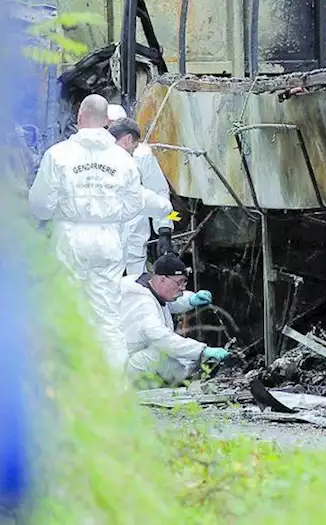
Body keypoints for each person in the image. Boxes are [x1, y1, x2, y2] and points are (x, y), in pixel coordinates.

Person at [27, 94, 173, 370]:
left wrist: (65, 209)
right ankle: (112, 385)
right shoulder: (123, 158)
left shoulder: (58, 154)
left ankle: (70, 378)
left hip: (70, 239)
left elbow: (40, 206)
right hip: (111, 241)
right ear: (107, 122)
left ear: (80, 116)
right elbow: (138, 203)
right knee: (108, 318)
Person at [120, 253, 227, 387]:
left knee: (176, 354)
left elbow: (166, 301)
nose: (182, 288)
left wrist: (190, 300)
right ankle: (187, 380)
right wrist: (202, 351)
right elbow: (164, 340)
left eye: (184, 282)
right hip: (122, 369)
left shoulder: (146, 284)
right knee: (159, 354)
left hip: (129, 357)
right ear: (163, 280)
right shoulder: (142, 304)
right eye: (179, 282)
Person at [108, 116, 174, 274]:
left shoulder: (142, 156)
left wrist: (165, 229)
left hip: (134, 242)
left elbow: (160, 192)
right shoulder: (97, 156)